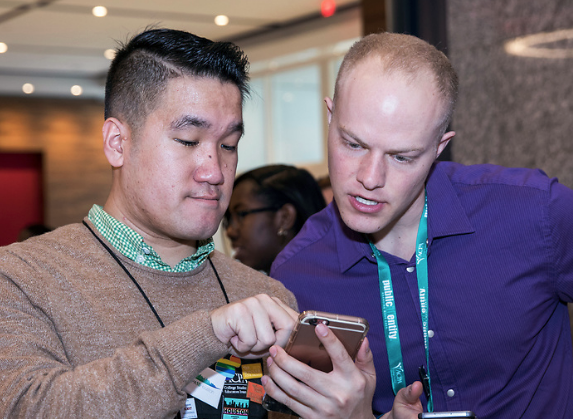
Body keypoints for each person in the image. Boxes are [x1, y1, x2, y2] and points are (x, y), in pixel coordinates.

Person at [266, 32, 573, 419]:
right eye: (353, 144)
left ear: (438, 148)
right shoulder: (299, 275)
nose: (370, 177)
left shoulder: (533, 211)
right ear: (330, 118)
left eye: (402, 157)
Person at [0, 28, 299, 418]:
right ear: (117, 143)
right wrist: (206, 334)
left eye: (228, 145)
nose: (215, 171)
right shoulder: (22, 278)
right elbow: (29, 407)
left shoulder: (266, 296)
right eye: (189, 140)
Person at [224, 164, 326, 273]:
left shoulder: (313, 285)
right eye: (229, 219)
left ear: (284, 218)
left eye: (242, 214)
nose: (230, 232)